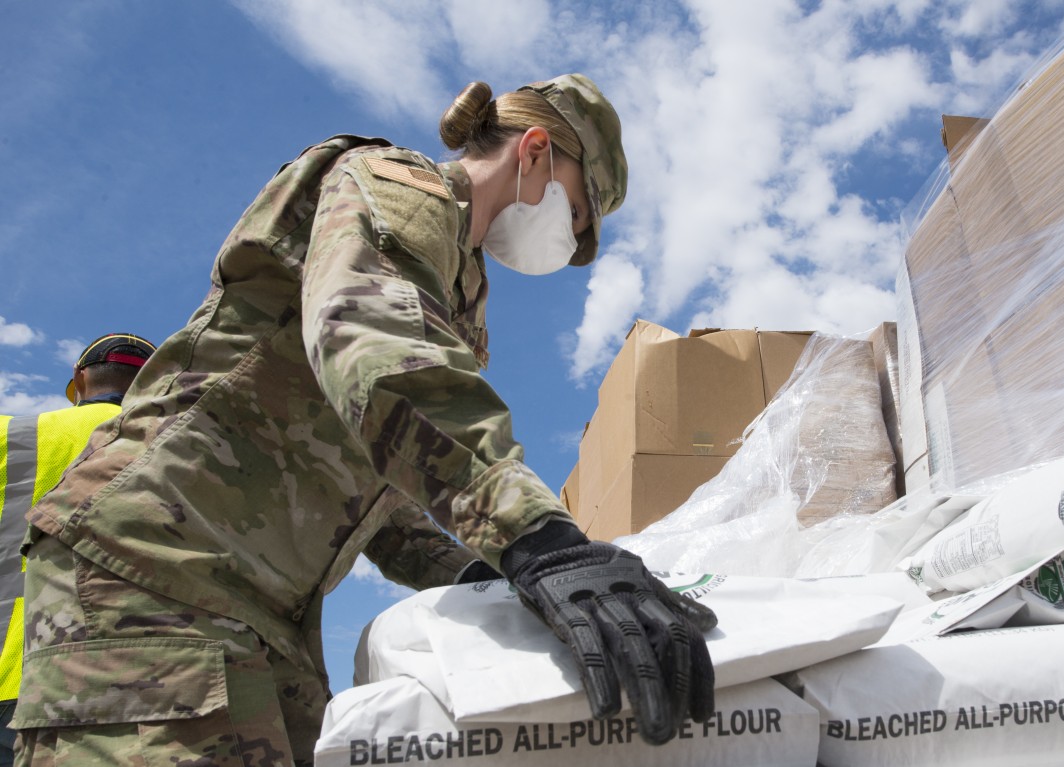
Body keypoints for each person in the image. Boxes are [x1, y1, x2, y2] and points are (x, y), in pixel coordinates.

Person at [16, 74, 715, 765]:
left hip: (261, 607)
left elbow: (386, 495)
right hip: (152, 567)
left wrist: (483, 577)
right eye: (576, 214)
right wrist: (538, 537)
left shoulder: (458, 292)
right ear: (533, 151)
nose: (569, 239)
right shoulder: (396, 183)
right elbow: (366, 336)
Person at [0, 333, 157, 766]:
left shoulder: (11, 434)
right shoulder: (188, 446)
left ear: (78, 378)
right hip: (137, 689)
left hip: (9, 675)